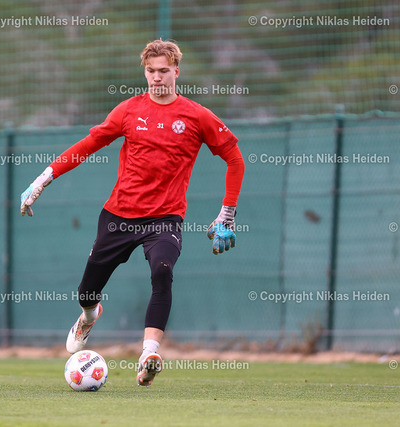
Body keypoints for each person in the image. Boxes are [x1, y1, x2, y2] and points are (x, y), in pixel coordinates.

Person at [19, 39, 245, 386]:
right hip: (119, 216)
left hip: (165, 219)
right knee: (87, 291)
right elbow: (88, 145)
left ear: (176, 71)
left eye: (164, 71)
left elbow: (235, 159)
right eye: (151, 71)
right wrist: (43, 179)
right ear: (145, 72)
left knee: (162, 273)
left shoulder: (197, 116)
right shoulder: (128, 110)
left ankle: (148, 354)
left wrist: (227, 214)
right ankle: (89, 316)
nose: (157, 77)